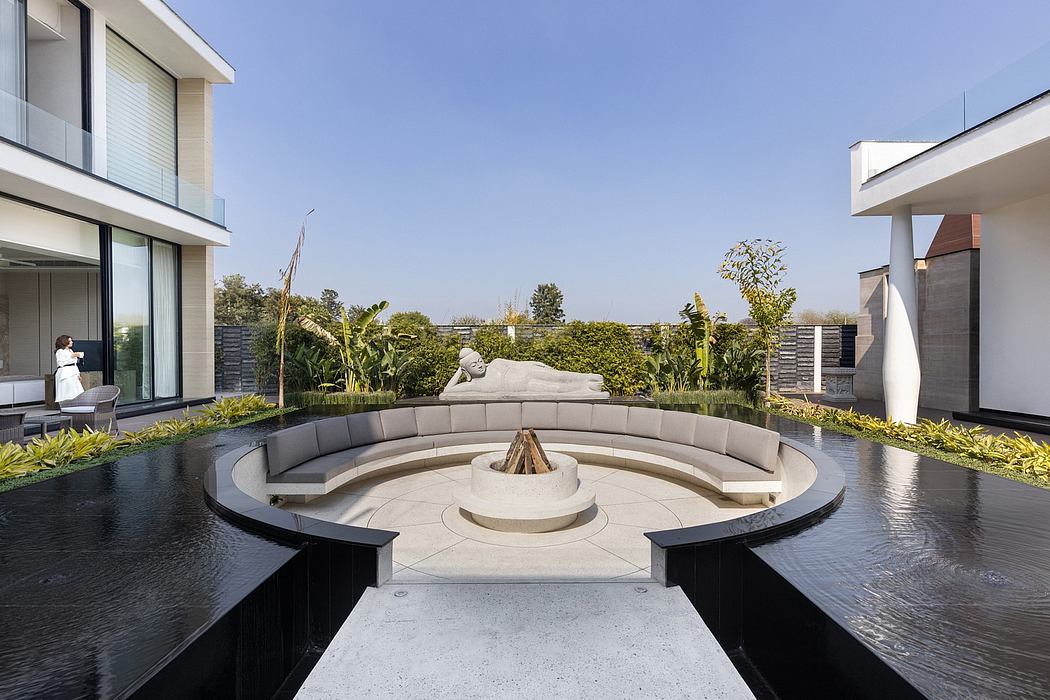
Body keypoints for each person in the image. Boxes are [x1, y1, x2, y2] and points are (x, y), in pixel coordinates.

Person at [441, 347, 606, 397]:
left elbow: (518, 364)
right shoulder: (475, 385)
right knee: (558, 389)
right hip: (526, 386)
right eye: (473, 365)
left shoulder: (497, 362)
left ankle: (589, 378)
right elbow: (446, 392)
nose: (479, 365)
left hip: (528, 372)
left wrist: (536, 363)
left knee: (559, 375)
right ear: (466, 370)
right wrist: (459, 371)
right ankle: (587, 389)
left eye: (480, 360)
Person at [55, 335, 85, 402]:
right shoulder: (60, 351)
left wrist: (78, 374)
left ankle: (75, 405)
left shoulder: (70, 351)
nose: (72, 342)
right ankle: (66, 405)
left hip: (73, 372)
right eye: (70, 340)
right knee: (67, 390)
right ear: (65, 342)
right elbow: (61, 363)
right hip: (65, 373)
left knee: (76, 390)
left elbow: (74, 364)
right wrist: (72, 356)